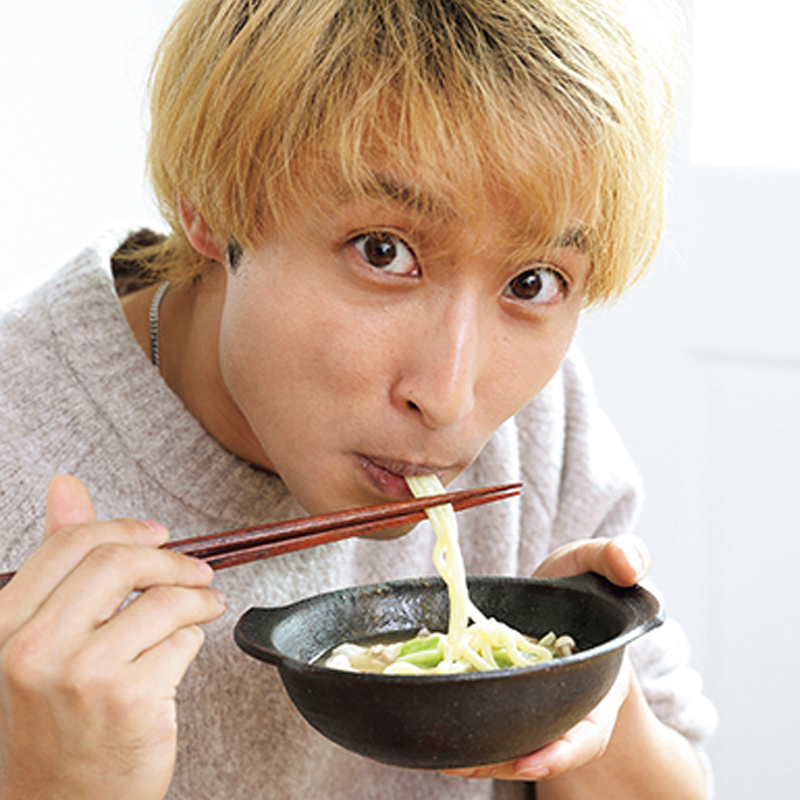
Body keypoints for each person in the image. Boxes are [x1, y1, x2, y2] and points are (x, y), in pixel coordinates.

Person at [0, 1, 717, 798]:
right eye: (385, 252)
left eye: (531, 282)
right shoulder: (18, 438)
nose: (448, 396)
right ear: (208, 199)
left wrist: (585, 690)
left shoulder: (541, 423)